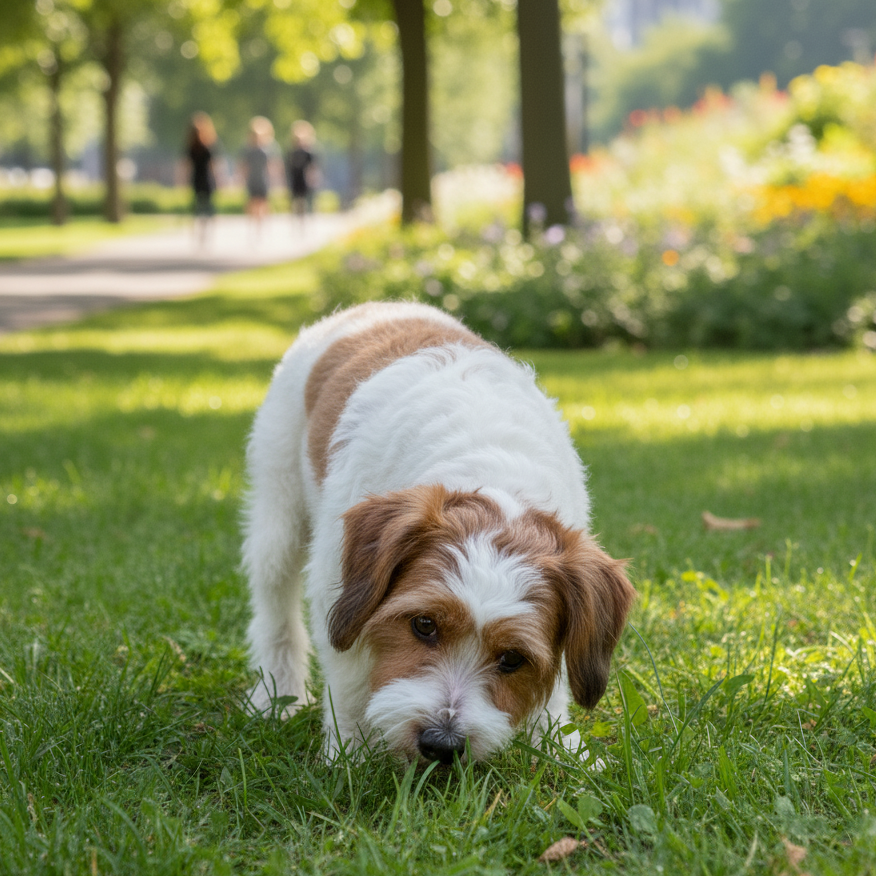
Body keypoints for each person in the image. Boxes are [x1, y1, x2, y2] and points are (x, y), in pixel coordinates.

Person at [240, 116, 278, 238]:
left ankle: (262, 227)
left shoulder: (269, 149)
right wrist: (241, 178)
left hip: (263, 180)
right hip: (252, 180)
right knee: (252, 204)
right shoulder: (248, 149)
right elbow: (243, 166)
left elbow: (272, 166)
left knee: (263, 204)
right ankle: (252, 226)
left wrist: (275, 179)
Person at [185, 112, 219, 248]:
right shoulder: (191, 147)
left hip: (207, 180)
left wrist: (218, 179)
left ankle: (206, 234)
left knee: (209, 208)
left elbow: (214, 165)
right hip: (196, 180)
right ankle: (198, 235)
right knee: (197, 209)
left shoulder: (209, 146)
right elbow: (186, 165)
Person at [285, 120, 319, 228]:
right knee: (294, 202)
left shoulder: (310, 152)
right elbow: (288, 166)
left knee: (306, 202)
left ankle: (305, 223)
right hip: (295, 179)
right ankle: (294, 223)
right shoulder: (291, 151)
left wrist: (313, 179)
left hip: (305, 180)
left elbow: (313, 167)